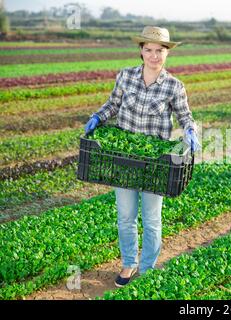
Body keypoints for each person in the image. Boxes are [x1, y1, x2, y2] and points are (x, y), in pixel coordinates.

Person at [84, 26, 200, 287]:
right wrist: (97, 117)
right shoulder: (125, 76)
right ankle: (128, 264)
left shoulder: (174, 86)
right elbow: (113, 104)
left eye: (159, 51)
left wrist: (191, 131)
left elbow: (185, 117)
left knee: (151, 219)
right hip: (124, 158)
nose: (154, 56)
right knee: (125, 216)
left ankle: (147, 268)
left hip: (154, 163)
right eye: (148, 50)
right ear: (141, 51)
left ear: (167, 53)